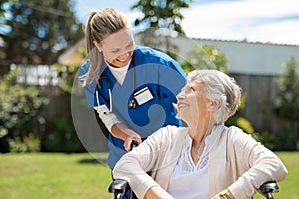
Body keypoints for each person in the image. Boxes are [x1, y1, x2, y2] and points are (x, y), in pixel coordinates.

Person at [113, 69, 288, 199]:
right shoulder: (166, 136)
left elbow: (274, 165)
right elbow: (125, 165)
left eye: (191, 90)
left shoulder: (232, 139)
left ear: (213, 104)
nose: (179, 96)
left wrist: (228, 196)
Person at [78, 8, 187, 171]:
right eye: (115, 50)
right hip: (125, 155)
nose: (124, 55)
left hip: (166, 154)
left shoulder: (159, 64)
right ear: (98, 46)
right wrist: (126, 134)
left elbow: (192, 103)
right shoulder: (91, 73)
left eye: (129, 45)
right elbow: (107, 117)